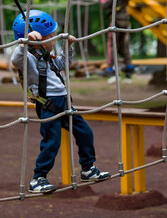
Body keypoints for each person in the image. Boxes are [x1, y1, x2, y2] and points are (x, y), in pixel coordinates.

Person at [11, 10, 111, 193]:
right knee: (52, 141)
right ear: (37, 40)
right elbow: (15, 59)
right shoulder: (28, 59)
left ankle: (88, 168)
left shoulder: (47, 58)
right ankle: (38, 178)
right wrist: (24, 43)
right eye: (51, 37)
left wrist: (67, 48)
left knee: (85, 132)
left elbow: (63, 65)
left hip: (64, 103)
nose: (54, 40)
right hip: (48, 104)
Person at [94, 0, 135, 80]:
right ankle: (129, 67)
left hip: (116, 21)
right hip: (125, 20)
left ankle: (110, 69)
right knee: (123, 44)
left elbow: (105, 4)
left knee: (112, 45)